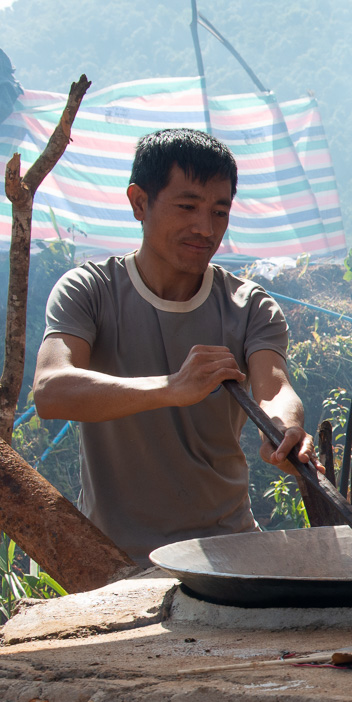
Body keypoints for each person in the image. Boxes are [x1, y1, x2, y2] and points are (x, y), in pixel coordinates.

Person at [31, 128, 315, 564]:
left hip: (228, 550)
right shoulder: (90, 290)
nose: (205, 228)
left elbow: (274, 388)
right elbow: (51, 390)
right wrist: (172, 387)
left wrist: (284, 427)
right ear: (139, 202)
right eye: (187, 207)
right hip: (116, 560)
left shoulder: (248, 305)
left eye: (219, 212)